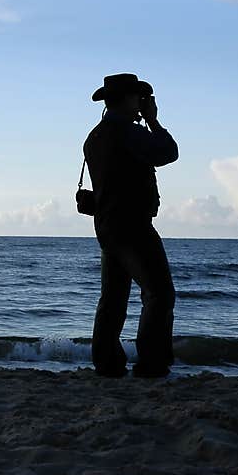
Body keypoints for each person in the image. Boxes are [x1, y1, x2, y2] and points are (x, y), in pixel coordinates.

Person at [83, 73, 179, 378]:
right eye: (139, 98)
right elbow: (167, 152)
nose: (142, 103)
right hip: (132, 225)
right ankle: (151, 363)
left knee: (112, 299)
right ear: (128, 98)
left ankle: (107, 362)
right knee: (159, 294)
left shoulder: (96, 135)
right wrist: (154, 121)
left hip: (108, 226)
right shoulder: (126, 131)